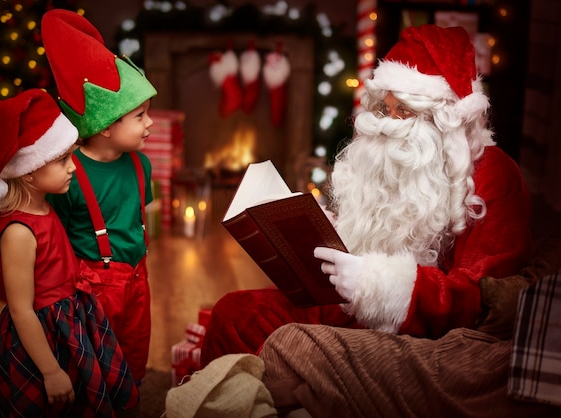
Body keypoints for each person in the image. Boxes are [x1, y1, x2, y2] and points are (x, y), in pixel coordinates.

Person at [201, 24, 533, 365]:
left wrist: (381, 286)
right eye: (383, 109)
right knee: (233, 315)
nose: (387, 123)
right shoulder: (397, 155)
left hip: (415, 336)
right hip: (349, 309)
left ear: (445, 118)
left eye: (403, 111)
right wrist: (328, 231)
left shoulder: (493, 175)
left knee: (266, 340)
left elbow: (487, 300)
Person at [0, 89, 140, 416]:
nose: (73, 168)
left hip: (69, 319)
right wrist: (49, 370)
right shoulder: (19, 233)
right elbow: (21, 310)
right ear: (29, 170)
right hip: (43, 334)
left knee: (81, 395)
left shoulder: (45, 207)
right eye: (62, 160)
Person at [258, 238, 561, 417]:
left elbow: (496, 302)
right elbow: (536, 284)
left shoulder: (490, 173)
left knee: (289, 348)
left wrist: (403, 290)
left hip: (535, 359)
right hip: (524, 334)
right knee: (244, 318)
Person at [40, 9, 157, 384]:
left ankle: (131, 396)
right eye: (139, 116)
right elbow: (55, 239)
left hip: (138, 277)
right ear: (106, 127)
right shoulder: (69, 173)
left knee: (134, 351)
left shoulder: (142, 166)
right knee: (94, 361)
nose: (150, 123)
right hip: (93, 288)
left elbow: (136, 219)